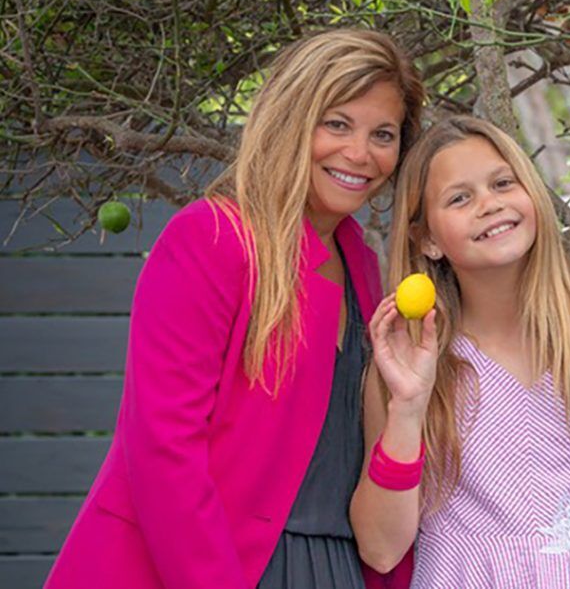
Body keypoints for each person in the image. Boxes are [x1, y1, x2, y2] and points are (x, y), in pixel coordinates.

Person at [45, 29, 423, 589]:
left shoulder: (365, 268)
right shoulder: (210, 239)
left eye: (383, 134)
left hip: (333, 567)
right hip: (206, 568)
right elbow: (163, 450)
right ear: (292, 120)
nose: (360, 154)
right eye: (337, 124)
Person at [351, 116, 570, 588]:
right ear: (427, 240)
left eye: (503, 183)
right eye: (459, 198)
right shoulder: (406, 370)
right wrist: (407, 406)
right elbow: (381, 550)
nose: (489, 204)